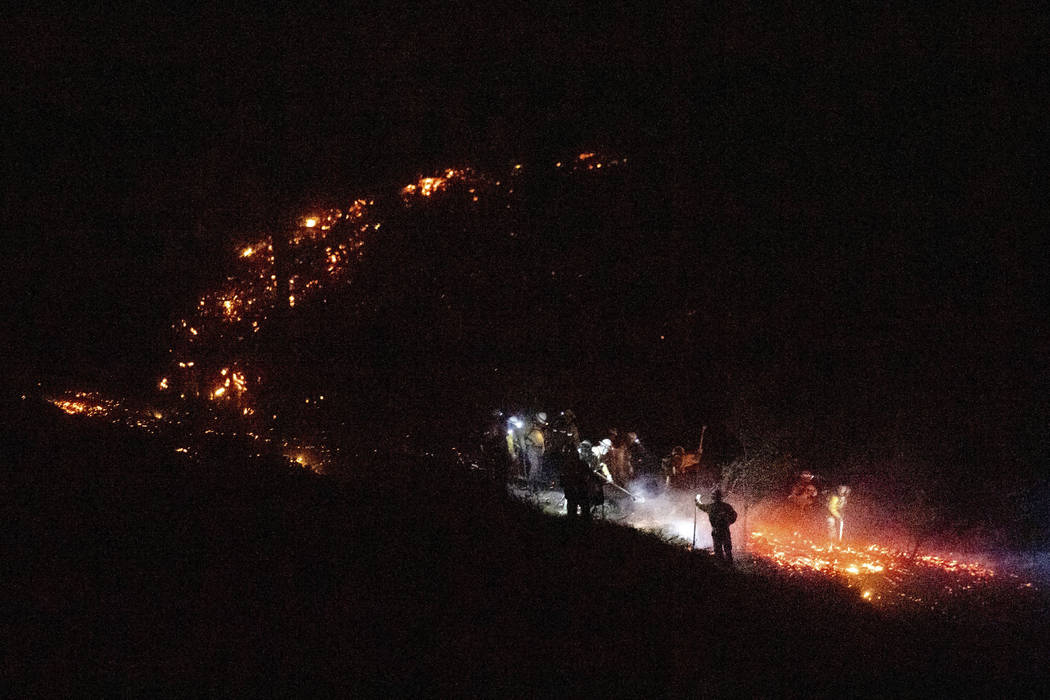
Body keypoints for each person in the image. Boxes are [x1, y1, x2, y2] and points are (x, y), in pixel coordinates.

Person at [695, 488, 738, 563]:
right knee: (727, 549)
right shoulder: (726, 506)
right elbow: (734, 515)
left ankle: (721, 565)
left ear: (713, 497)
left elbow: (700, 505)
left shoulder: (711, 507)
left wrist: (697, 500)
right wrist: (729, 522)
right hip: (724, 530)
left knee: (719, 550)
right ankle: (729, 565)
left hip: (717, 531)